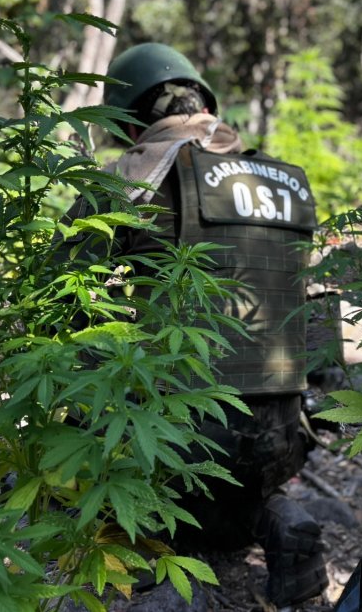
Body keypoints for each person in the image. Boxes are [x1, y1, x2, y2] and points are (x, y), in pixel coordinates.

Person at [98, 42, 329, 605]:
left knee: (100, 462)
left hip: (180, 436)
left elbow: (58, 296)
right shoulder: (285, 184)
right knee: (232, 485)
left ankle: (149, 549)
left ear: (131, 120)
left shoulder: (131, 176)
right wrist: (317, 419)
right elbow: (321, 311)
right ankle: (271, 513)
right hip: (284, 435)